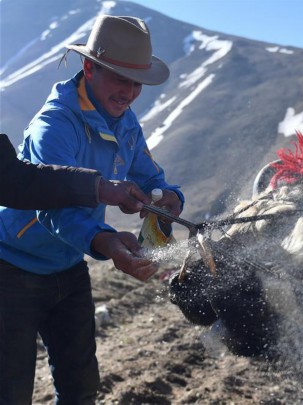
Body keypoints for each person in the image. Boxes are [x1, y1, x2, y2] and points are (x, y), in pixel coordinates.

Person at [0, 15, 184, 403]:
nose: (130, 92)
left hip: (69, 269)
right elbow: (52, 208)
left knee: (81, 387)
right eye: (121, 78)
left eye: (137, 82)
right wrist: (106, 243)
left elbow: (146, 170)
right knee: (11, 391)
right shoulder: (54, 127)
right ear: (89, 68)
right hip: (13, 271)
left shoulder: (123, 119)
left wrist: (167, 195)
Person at [0, 132, 151, 211]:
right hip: (19, 255)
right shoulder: (55, 125)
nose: (128, 92)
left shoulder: (127, 121)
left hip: (65, 258)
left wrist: (98, 187)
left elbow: (12, 177)